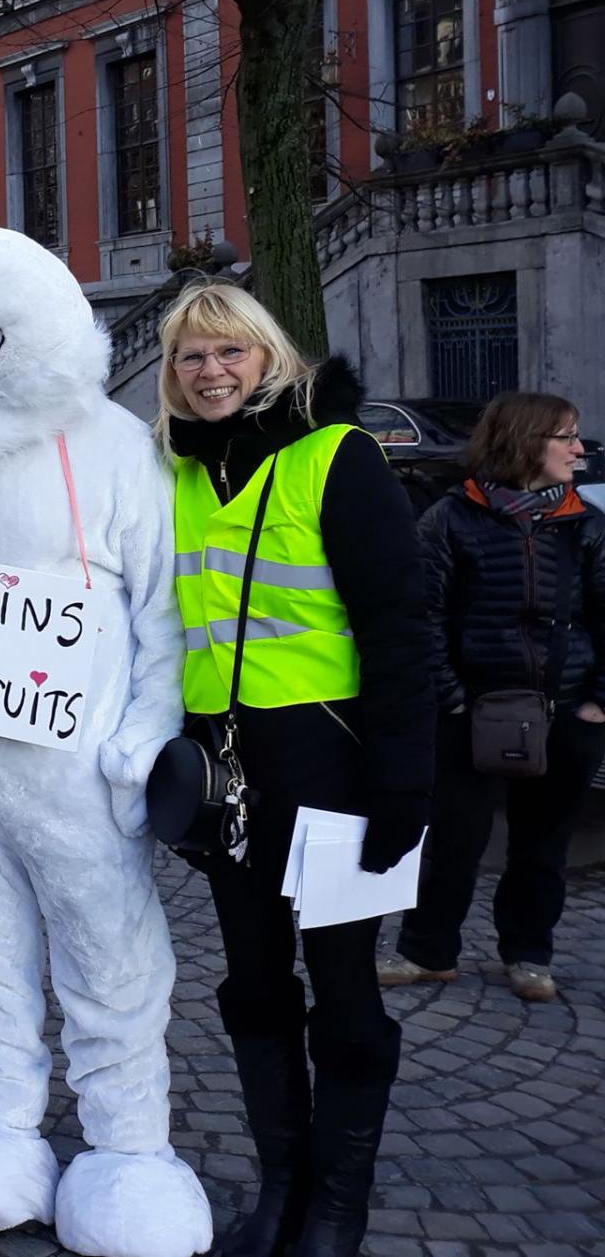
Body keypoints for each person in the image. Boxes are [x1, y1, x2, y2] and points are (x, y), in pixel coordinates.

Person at [158, 284, 432, 1257]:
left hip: (334, 768)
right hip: (230, 778)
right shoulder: (178, 471)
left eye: (229, 351)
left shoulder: (335, 455)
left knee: (347, 991)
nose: (212, 371)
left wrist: (406, 781)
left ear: (268, 355)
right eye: (192, 357)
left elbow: (401, 628)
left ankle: (338, 1206)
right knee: (256, 982)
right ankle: (283, 1185)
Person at [380, 391, 605, 1003]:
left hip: (565, 713)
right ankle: (428, 952)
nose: (578, 449)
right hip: (472, 714)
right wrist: (453, 696)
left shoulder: (584, 522)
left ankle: (529, 955)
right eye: (566, 436)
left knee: (543, 846)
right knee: (453, 841)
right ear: (525, 441)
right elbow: (421, 614)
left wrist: (597, 701)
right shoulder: (453, 517)